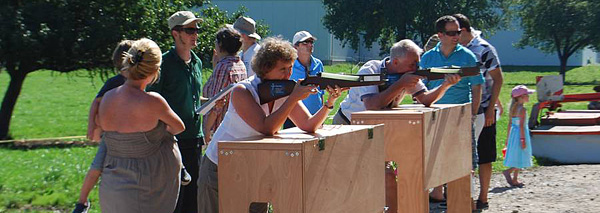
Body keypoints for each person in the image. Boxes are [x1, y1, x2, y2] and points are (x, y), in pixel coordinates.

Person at [197, 37, 345, 213]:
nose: (288, 75)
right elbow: (266, 128)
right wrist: (292, 98)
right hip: (219, 166)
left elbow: (308, 125)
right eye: (282, 69)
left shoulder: (283, 91)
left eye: (290, 68)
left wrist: (329, 103)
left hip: (253, 166)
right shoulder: (243, 91)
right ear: (265, 69)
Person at [97, 38, 185, 213]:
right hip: (146, 186)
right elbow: (179, 127)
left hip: (112, 184)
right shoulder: (153, 101)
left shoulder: (108, 97)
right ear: (155, 70)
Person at [420, 15, 485, 203]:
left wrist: (472, 113)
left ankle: (464, 201)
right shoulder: (428, 57)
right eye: (451, 33)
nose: (456, 36)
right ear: (440, 35)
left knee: (464, 161)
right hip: (434, 114)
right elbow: (421, 86)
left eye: (458, 32)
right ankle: (438, 192)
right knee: (434, 156)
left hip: (460, 115)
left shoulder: (467, 56)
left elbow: (477, 86)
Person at [146, 11, 204, 213]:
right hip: (171, 142)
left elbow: (192, 97)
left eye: (197, 29)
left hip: (196, 138)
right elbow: (151, 102)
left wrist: (212, 103)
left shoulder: (197, 62)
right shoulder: (162, 65)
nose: (195, 34)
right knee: (175, 200)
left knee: (194, 199)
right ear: (175, 34)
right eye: (190, 30)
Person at [72, 40, 134, 213]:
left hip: (133, 136)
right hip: (112, 135)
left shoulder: (142, 83)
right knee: (96, 167)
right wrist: (91, 126)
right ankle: (82, 202)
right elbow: (96, 103)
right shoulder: (115, 82)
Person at [452, 13, 504, 211]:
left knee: (484, 154)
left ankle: (483, 197)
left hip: (483, 109)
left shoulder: (484, 49)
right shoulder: (454, 50)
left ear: (463, 30)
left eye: (455, 32)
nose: (453, 37)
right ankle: (465, 196)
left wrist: (491, 109)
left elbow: (498, 80)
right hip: (460, 109)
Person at [202, 26, 247, 143]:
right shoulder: (240, 64)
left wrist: (207, 129)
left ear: (221, 44)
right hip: (235, 126)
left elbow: (217, 102)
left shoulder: (223, 67)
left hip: (219, 129)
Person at [283, 30, 325, 129]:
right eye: (305, 42)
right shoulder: (289, 66)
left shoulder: (318, 64)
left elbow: (321, 92)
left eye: (311, 42)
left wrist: (321, 115)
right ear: (295, 47)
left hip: (315, 116)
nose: (310, 45)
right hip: (294, 117)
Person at [503, 85, 534, 188]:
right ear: (521, 97)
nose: (528, 97)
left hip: (513, 134)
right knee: (522, 154)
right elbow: (521, 125)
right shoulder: (523, 110)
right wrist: (523, 139)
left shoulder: (513, 108)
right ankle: (508, 172)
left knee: (517, 154)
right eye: (527, 95)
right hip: (521, 134)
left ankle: (515, 179)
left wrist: (507, 138)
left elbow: (509, 124)